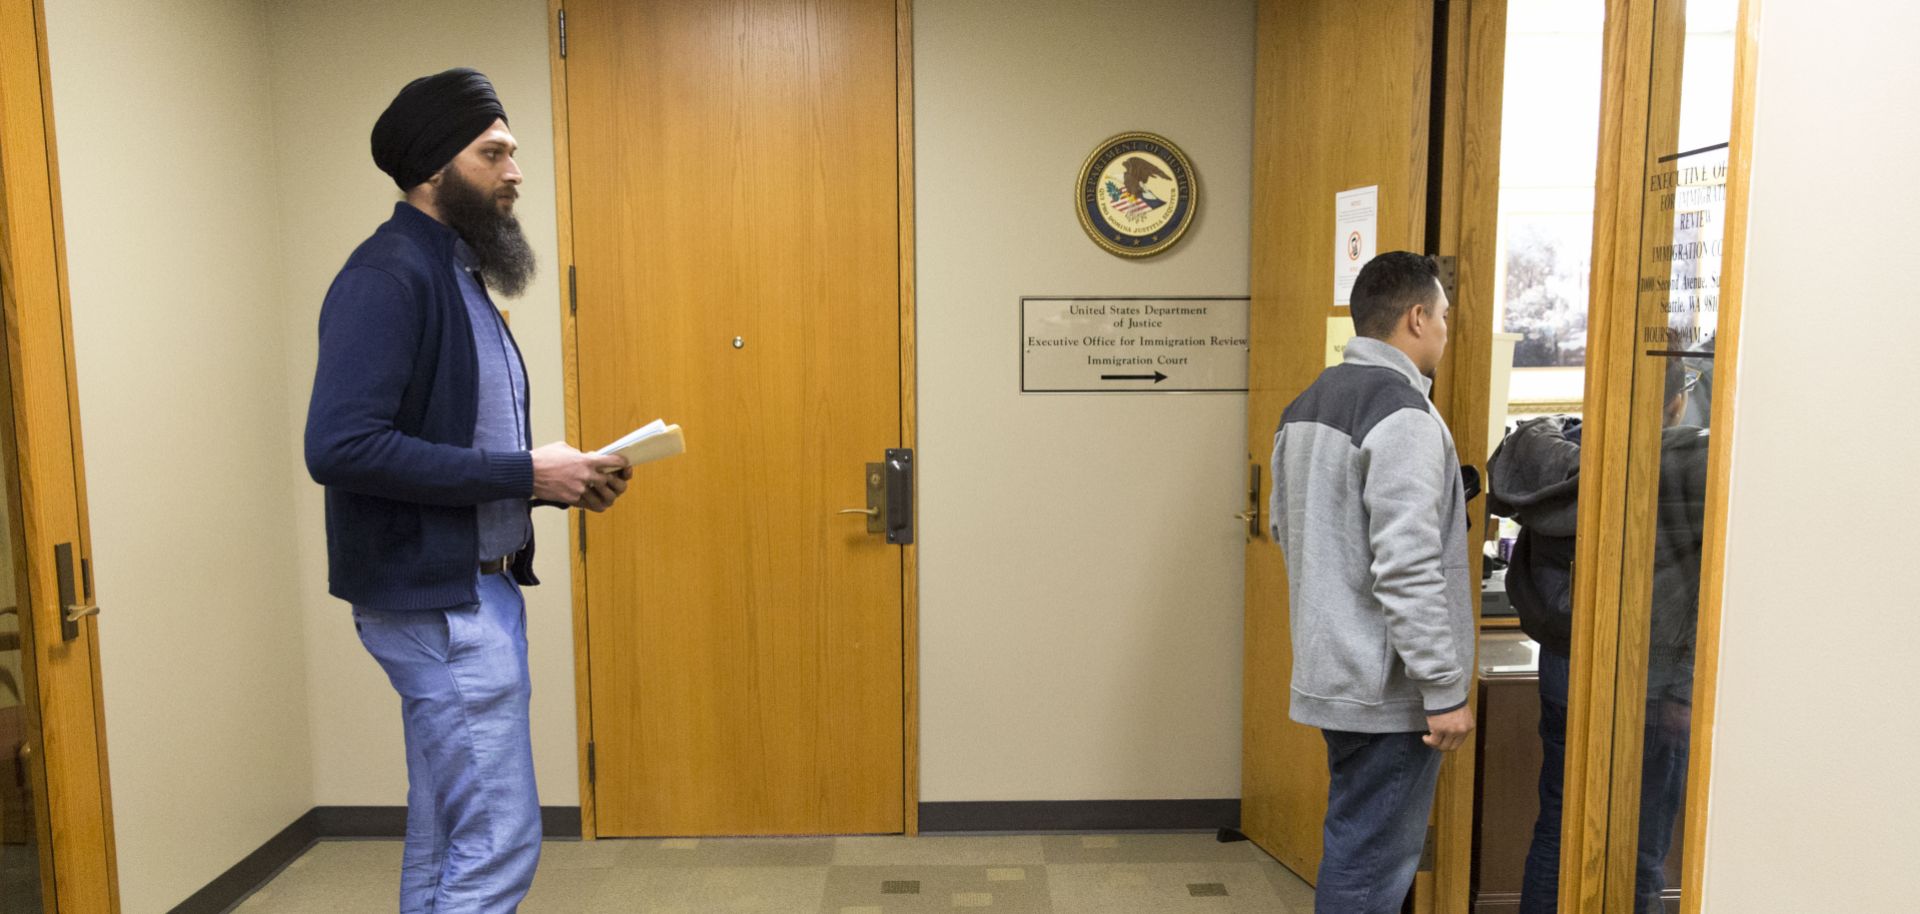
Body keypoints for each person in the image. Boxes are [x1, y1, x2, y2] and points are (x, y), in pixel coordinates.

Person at [304, 68, 630, 913]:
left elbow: (452, 444)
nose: (515, 171)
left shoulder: (456, 275)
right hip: (436, 605)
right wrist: (526, 471)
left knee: (449, 830)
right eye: (494, 154)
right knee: (500, 840)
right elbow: (342, 446)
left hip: (469, 593)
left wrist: (555, 483)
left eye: (513, 152)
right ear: (430, 171)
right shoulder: (387, 276)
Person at [1268, 251, 1477, 914]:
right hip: (1390, 688)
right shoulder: (1405, 416)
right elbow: (1408, 565)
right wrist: (1442, 688)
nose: (1446, 330)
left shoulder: (1307, 402)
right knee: (1370, 869)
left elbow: (1285, 529)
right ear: (1416, 318)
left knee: (1355, 846)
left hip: (1335, 668)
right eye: (1444, 316)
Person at [1493, 356, 1707, 914]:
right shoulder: (1685, 468)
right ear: (1674, 403)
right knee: (1643, 844)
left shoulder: (1560, 461)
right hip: (1652, 678)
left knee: (1560, 826)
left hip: (1567, 662)